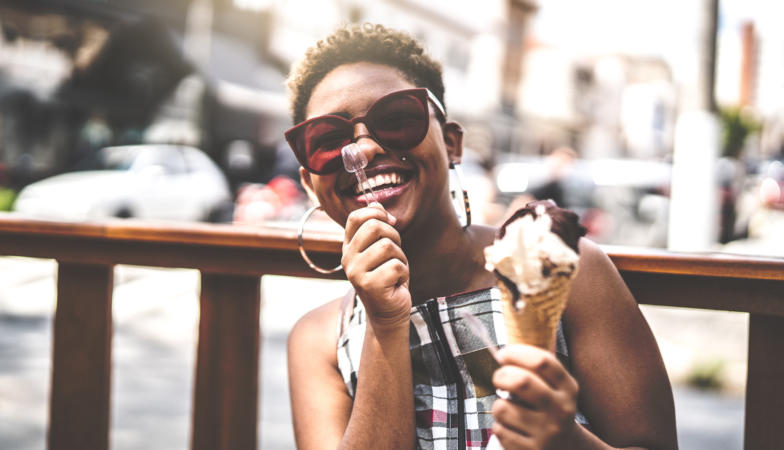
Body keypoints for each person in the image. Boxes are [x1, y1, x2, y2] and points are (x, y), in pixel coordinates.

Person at [285, 24, 677, 449]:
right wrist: (385, 321)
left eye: (397, 120)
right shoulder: (320, 341)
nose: (362, 151)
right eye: (327, 141)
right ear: (310, 184)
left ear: (452, 144)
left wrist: (567, 441)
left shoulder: (564, 271)